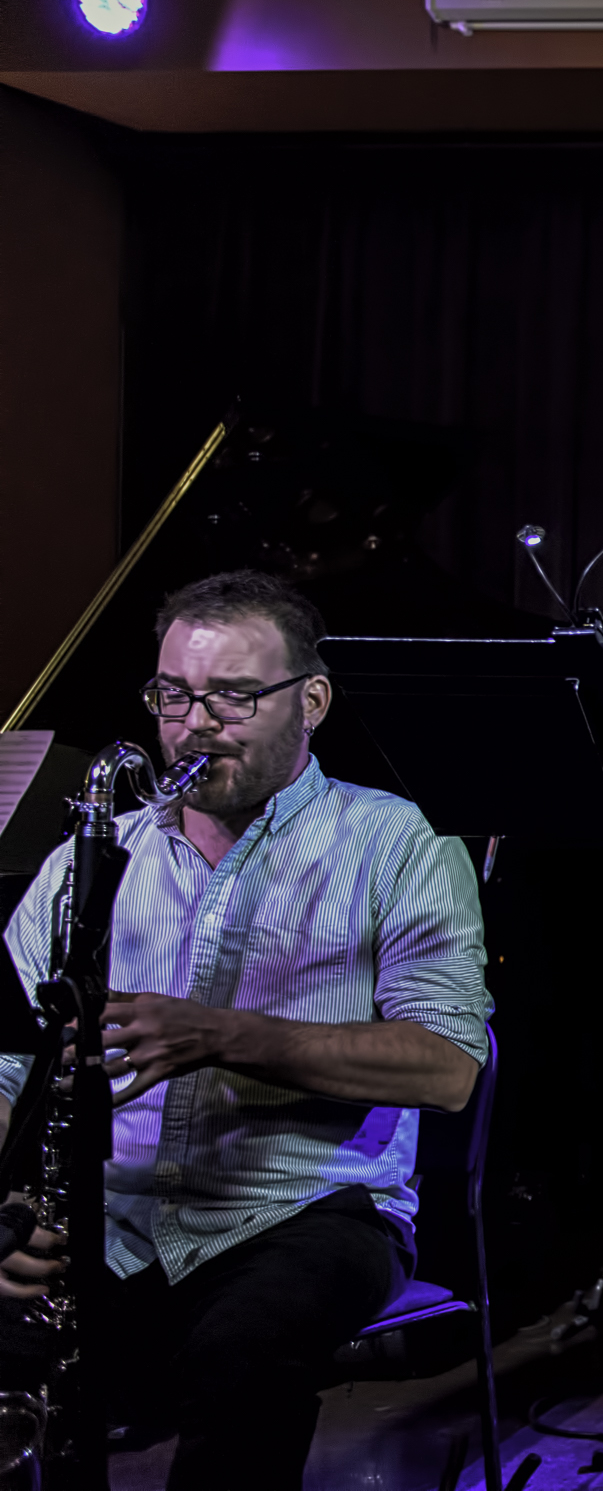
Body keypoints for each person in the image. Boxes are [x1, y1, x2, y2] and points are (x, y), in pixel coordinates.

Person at [0, 569, 492, 1488]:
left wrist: (226, 1035)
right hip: (110, 1215)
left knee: (242, 1358)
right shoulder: (94, 857)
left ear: (311, 701)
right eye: (174, 695)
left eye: (232, 695)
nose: (195, 724)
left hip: (309, 1211)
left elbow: (447, 1067)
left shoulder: (400, 843)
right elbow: (3, 1067)